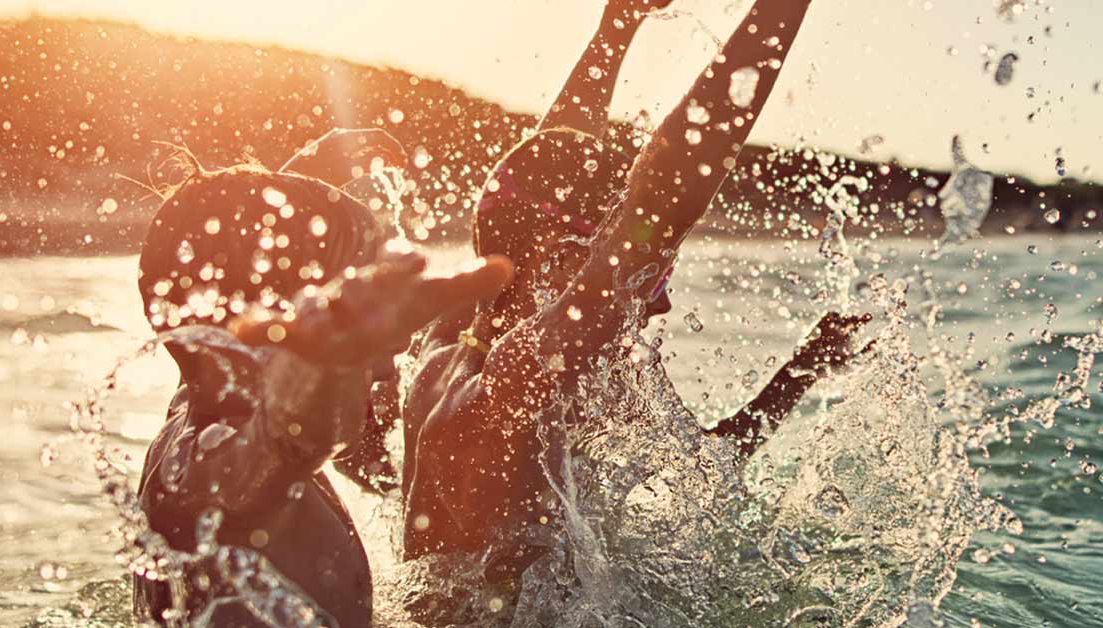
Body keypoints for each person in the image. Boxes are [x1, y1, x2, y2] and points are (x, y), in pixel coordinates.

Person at [346, 0, 864, 619]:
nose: (660, 296)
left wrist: (617, 26)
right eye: (652, 273)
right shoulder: (515, 381)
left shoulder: (454, 338)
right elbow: (666, 191)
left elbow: (543, 179)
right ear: (566, 263)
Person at [131, 139, 514, 626]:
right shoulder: (206, 478)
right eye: (347, 308)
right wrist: (336, 358)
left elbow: (233, 318)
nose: (397, 341)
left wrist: (301, 178)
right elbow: (296, 434)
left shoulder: (194, 407)